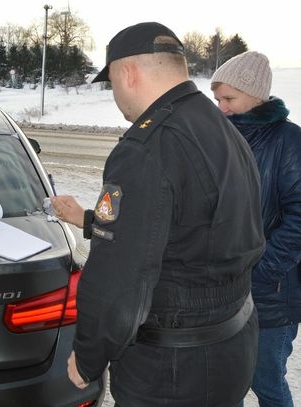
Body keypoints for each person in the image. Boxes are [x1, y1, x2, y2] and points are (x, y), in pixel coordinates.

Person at [51, 22, 265, 406]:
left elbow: (117, 279)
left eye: (111, 81)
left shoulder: (148, 146)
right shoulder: (223, 127)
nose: (114, 95)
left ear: (127, 73)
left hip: (173, 367)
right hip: (231, 344)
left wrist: (87, 358)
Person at [211, 51, 301, 407]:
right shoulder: (218, 138)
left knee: (265, 381)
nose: (222, 107)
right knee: (223, 381)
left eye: (229, 98)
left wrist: (264, 269)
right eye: (217, 99)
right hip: (220, 292)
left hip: (270, 294)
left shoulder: (289, 141)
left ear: (257, 94)